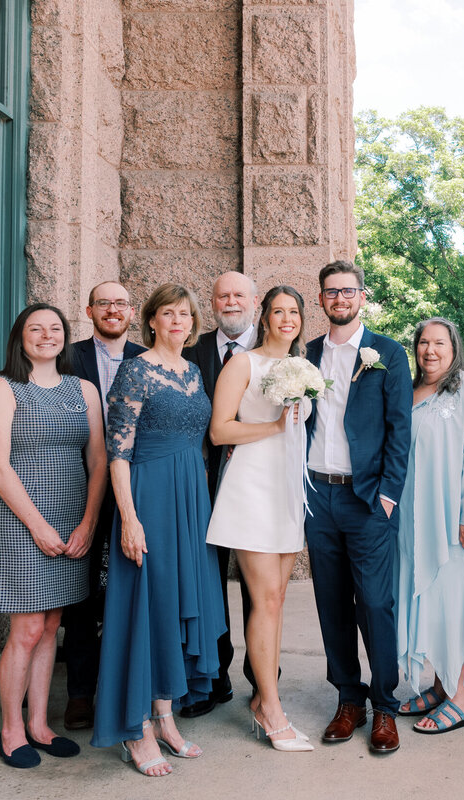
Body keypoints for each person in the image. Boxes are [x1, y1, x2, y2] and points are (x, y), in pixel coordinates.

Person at [91, 284, 226, 777]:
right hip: (147, 497)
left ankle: (165, 717)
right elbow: (118, 452)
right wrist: (128, 518)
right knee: (146, 607)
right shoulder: (136, 369)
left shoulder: (192, 371)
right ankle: (136, 730)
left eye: (185, 314)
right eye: (168, 314)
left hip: (191, 501)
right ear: (150, 321)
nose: (178, 321)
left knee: (174, 606)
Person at [0, 303, 107, 768]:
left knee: (53, 625)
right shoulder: (2, 388)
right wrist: (38, 525)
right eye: (36, 329)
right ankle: (11, 732)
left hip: (73, 522)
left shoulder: (83, 390)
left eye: (55, 329)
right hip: (22, 521)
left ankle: (39, 725)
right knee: (27, 628)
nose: (46, 336)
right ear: (20, 337)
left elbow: (98, 462)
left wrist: (88, 523)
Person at [305, 260, 413, 753]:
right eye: (331, 292)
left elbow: (399, 431)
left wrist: (388, 495)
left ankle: (384, 705)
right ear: (322, 299)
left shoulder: (386, 353)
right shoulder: (303, 355)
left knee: (375, 604)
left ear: (362, 297)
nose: (340, 299)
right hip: (317, 496)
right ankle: (349, 699)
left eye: (348, 291)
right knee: (331, 603)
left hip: (367, 498)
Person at [208, 285, 315, 752]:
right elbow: (219, 430)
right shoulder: (243, 363)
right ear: (264, 318)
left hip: (289, 489)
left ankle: (264, 698)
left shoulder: (306, 368)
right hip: (251, 484)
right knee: (263, 599)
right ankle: (269, 705)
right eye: (278, 311)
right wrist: (272, 426)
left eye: (294, 311)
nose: (286, 319)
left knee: (276, 599)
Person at [395, 318, 464, 735]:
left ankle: (461, 698)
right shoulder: (409, 391)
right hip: (414, 519)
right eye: (423, 342)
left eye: (439, 342)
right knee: (433, 604)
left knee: (457, 604)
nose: (430, 350)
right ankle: (440, 684)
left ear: (454, 347)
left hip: (456, 521)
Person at [60, 281, 146, 731]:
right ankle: (79, 692)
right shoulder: (67, 357)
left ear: (132, 312)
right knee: (81, 589)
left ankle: (132, 686)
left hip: (136, 487)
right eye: (104, 303)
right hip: (78, 486)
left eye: (121, 304)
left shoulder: (147, 358)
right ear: (89, 309)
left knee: (131, 587)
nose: (113, 310)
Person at [180, 270, 260, 718]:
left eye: (238, 295)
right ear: (212, 303)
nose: (230, 302)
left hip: (258, 486)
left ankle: (262, 679)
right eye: (221, 295)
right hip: (203, 486)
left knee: (256, 585)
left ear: (255, 300)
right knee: (208, 582)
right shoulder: (192, 356)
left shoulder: (280, 351)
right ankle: (214, 676)